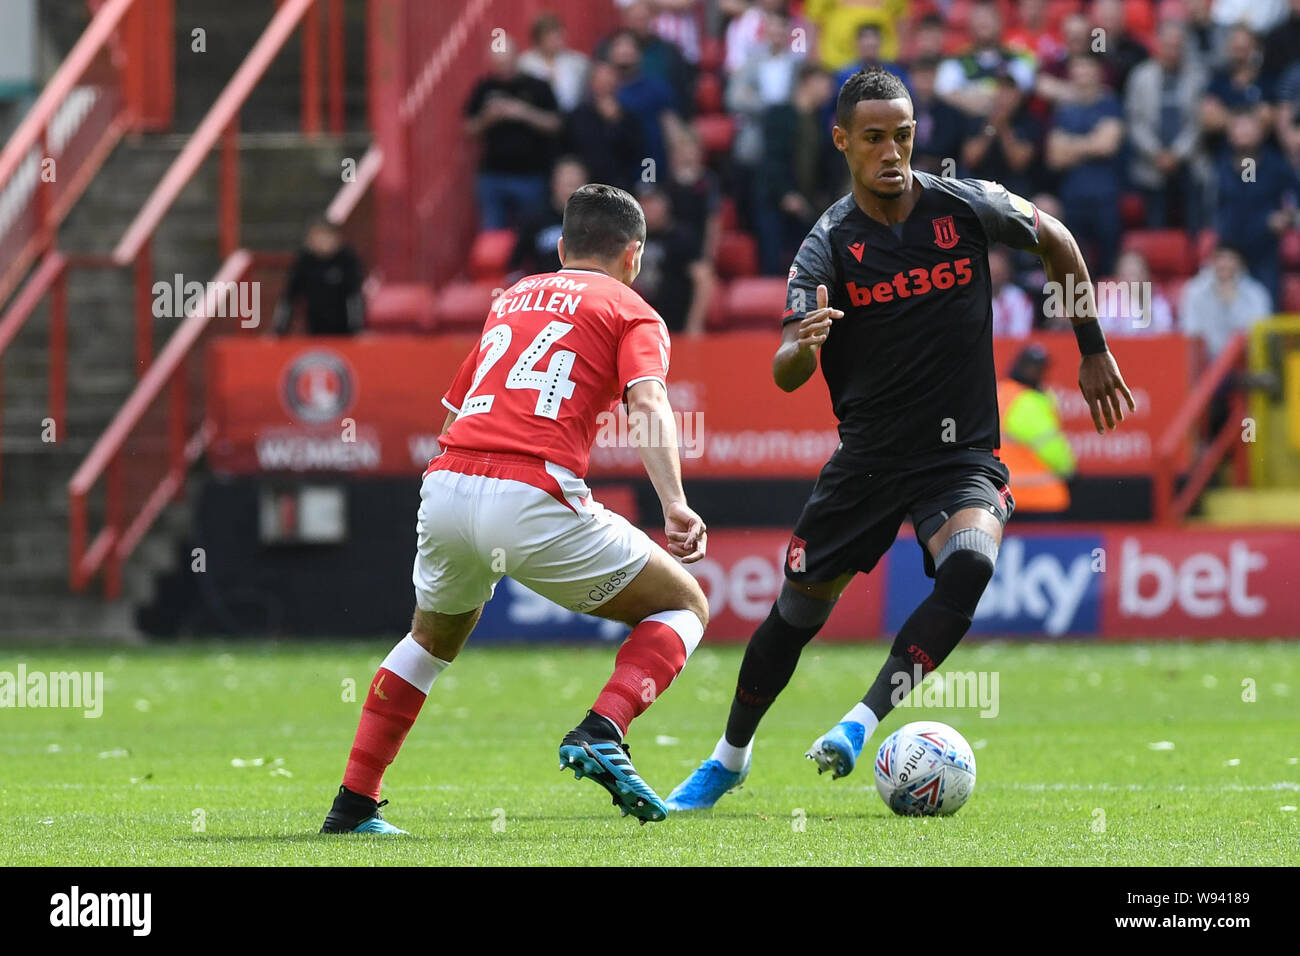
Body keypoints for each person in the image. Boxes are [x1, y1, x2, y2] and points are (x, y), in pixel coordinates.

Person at [664, 67, 1134, 810]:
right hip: (869, 463)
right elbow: (787, 371)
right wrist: (803, 346)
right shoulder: (826, 247)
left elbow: (1061, 241)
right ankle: (729, 757)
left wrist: (1093, 347)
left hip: (961, 459)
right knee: (795, 616)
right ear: (843, 141)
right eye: (875, 137)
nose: (892, 151)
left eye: (904, 135)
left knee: (972, 562)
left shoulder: (965, 206)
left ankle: (860, 723)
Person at [320, 185, 710, 833]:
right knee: (685, 604)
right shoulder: (633, 309)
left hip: (447, 483)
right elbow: (646, 402)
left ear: (561, 248)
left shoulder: (514, 297)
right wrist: (674, 503)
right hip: (531, 493)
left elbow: (455, 405)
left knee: (429, 642)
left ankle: (353, 803)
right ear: (633, 256)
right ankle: (602, 729)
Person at [463, 35, 562, 230]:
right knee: (492, 231)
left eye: (507, 63)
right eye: (498, 64)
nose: (504, 69)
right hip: (493, 175)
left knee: (531, 229)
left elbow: (556, 124)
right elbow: (469, 128)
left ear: (517, 58)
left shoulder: (538, 86)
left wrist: (523, 113)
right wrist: (488, 118)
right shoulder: (484, 88)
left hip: (531, 175)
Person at [1124, 21, 1208, 231]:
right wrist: (1157, 154)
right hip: (1151, 162)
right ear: (1158, 45)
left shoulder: (1197, 77)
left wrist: (1177, 155)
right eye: (1168, 46)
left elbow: (1198, 122)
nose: (1173, 52)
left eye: (1178, 46)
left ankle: (1196, 258)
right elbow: (1135, 122)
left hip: (1188, 161)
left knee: (1195, 221)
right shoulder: (1140, 76)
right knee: (1156, 224)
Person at [1045, 54, 1124, 274]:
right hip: (1073, 196)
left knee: (1109, 266)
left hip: (1105, 197)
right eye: (1078, 68)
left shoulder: (1110, 104)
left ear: (1099, 72)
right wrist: (1092, 142)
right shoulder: (1063, 110)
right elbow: (1054, 158)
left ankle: (1108, 308)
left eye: (1088, 67)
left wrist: (1069, 144)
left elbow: (1107, 145)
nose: (1083, 73)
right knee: (1074, 265)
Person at [997, 344, 1076, 513]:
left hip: (1003, 497)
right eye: (1032, 367)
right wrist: (1070, 470)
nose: (1037, 373)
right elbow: (1054, 452)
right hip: (1039, 497)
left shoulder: (1003, 392)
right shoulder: (1027, 401)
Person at [562, 60, 646, 193]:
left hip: (620, 190)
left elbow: (641, 154)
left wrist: (615, 123)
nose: (605, 85)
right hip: (584, 190)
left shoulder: (629, 118)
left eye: (609, 80)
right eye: (600, 80)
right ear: (591, 83)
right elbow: (567, 152)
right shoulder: (576, 116)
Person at [1179, 245, 1273, 361]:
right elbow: (1190, 331)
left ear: (1241, 265)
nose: (1225, 264)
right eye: (1220, 259)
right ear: (1210, 263)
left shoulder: (1257, 294)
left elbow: (1260, 334)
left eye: (1231, 259)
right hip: (1205, 364)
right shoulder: (1194, 291)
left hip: (1245, 362)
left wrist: (1232, 302)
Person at [271, 219, 364, 335]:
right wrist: (279, 330)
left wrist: (357, 329)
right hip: (314, 331)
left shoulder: (347, 260)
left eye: (325, 236)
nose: (321, 241)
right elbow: (288, 298)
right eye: (316, 237)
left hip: (345, 334)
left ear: (336, 238)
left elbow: (355, 298)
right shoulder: (304, 262)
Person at [506, 156, 588, 282]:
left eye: (576, 185)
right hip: (545, 290)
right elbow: (516, 264)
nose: (571, 191)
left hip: (584, 289)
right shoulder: (535, 218)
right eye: (567, 185)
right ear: (554, 184)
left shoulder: (596, 220)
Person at [517, 12, 590, 112]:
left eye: (559, 35)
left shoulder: (578, 62)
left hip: (572, 118)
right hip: (538, 117)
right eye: (550, 36)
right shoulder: (524, 64)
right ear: (539, 39)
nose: (556, 40)